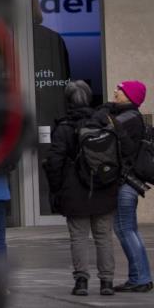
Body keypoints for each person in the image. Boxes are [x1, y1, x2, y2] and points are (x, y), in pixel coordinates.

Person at [42, 80, 117, 296]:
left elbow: (54, 161)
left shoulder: (64, 127)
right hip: (104, 187)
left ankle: (82, 281)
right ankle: (107, 282)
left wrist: (57, 189)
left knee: (79, 237)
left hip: (74, 191)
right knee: (104, 236)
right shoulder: (104, 123)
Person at [104, 80, 152, 292]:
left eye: (120, 89)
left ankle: (141, 278)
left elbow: (107, 136)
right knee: (127, 229)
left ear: (130, 96)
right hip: (129, 183)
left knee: (125, 229)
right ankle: (138, 277)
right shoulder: (131, 117)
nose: (115, 91)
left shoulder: (127, 119)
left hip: (125, 183)